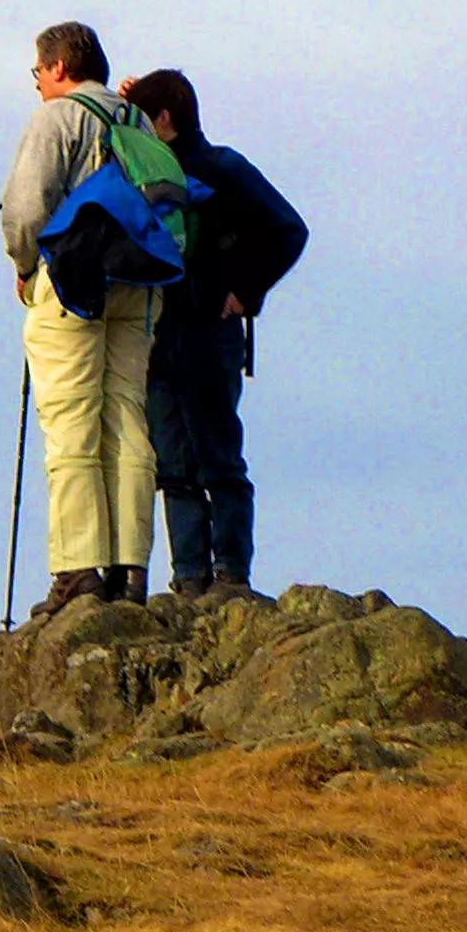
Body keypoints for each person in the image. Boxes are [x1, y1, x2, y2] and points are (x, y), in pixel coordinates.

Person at [120, 68, 307, 600]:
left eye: (143, 119)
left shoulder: (222, 168)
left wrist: (247, 291)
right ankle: (193, 580)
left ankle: (228, 575)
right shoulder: (151, 171)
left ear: (163, 119)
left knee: (216, 457)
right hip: (165, 335)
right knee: (174, 463)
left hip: (205, 331)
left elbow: (290, 229)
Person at [1, 22, 165, 615]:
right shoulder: (136, 122)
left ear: (60, 67)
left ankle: (77, 571)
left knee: (71, 419)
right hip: (140, 284)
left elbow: (25, 207)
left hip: (73, 281)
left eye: (38, 73)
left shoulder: (57, 118)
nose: (38, 85)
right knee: (126, 413)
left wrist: (23, 265)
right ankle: (131, 568)